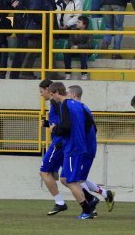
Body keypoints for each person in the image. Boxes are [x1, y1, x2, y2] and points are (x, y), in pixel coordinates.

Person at [49, 81, 98, 219]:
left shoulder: (64, 105)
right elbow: (90, 125)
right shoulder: (78, 105)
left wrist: (55, 128)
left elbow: (66, 126)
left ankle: (87, 210)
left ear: (57, 92)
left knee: (71, 181)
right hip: (79, 145)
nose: (52, 98)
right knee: (64, 178)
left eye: (52, 95)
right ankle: (91, 200)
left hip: (72, 147)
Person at [38, 79, 68, 214]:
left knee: (44, 171)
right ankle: (101, 194)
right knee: (69, 177)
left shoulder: (55, 103)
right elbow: (56, 122)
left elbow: (63, 122)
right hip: (61, 141)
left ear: (48, 89)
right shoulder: (55, 104)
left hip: (59, 142)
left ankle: (59, 202)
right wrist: (47, 124)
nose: (41, 94)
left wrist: (59, 136)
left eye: (41, 91)